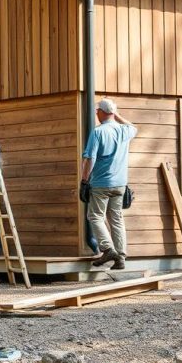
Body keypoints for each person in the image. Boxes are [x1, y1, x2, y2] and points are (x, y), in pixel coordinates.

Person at [80, 98, 137, 270]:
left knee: (95, 216)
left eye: (98, 110)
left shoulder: (98, 132)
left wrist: (84, 181)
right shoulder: (124, 131)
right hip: (120, 184)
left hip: (101, 183)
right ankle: (120, 257)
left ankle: (107, 249)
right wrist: (117, 116)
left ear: (103, 112)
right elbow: (134, 127)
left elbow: (90, 158)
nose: (96, 113)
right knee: (116, 219)